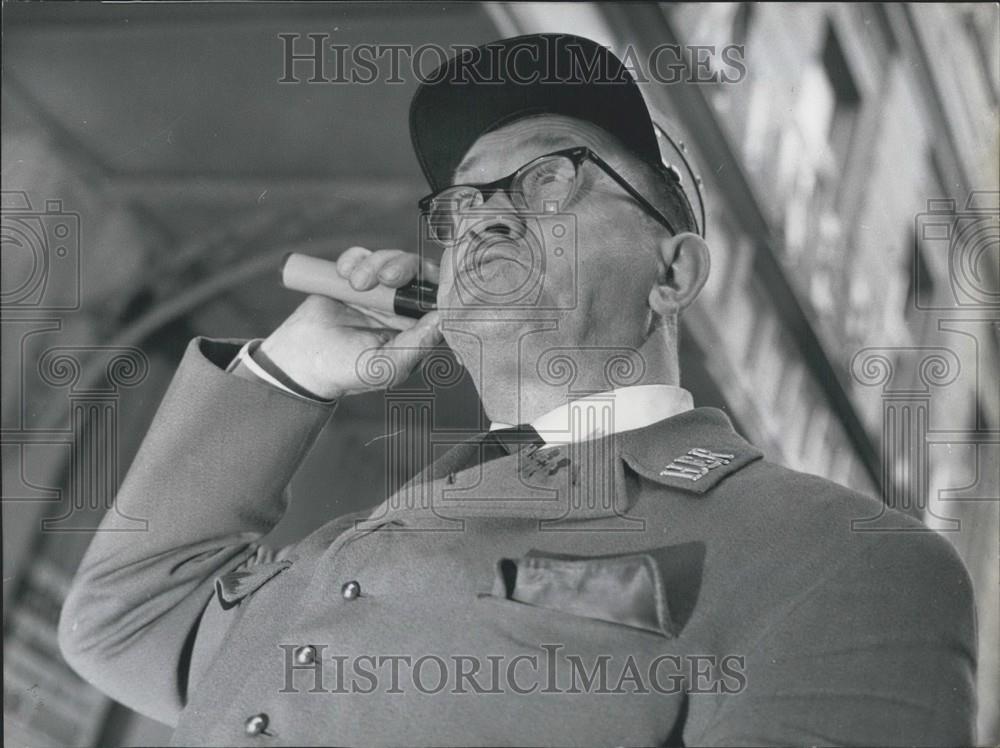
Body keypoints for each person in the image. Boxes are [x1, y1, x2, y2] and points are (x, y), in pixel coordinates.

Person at [58, 34, 976, 747]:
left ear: (675, 272)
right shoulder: (342, 556)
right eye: (460, 206)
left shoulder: (832, 561)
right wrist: (289, 374)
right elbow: (122, 621)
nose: (486, 214)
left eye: (548, 180)